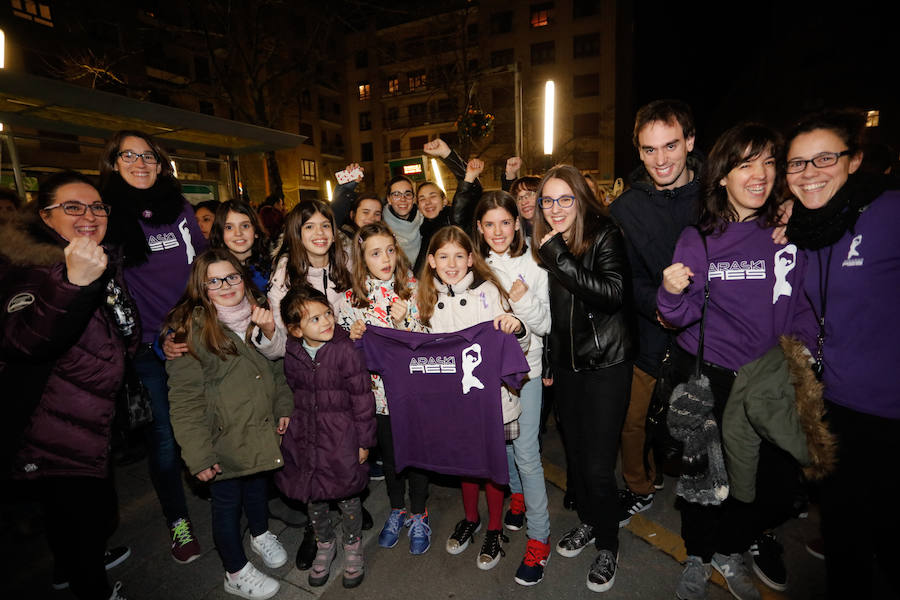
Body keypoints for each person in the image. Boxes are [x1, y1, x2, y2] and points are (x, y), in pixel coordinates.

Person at [658, 123, 816, 600]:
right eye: (745, 164)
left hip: (769, 380)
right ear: (722, 175)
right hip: (711, 379)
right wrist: (669, 292)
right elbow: (680, 315)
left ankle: (729, 550)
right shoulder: (698, 238)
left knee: (767, 486)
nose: (759, 174)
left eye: (769, 162)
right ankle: (698, 557)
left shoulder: (787, 232)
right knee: (703, 481)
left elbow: (805, 304)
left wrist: (806, 353)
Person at [1, 171, 135, 600]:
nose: (89, 215)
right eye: (73, 207)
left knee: (80, 514)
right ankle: (90, 584)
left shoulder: (94, 255)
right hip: (54, 420)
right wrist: (72, 283)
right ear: (44, 215)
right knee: (78, 516)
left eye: (97, 207)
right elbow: (26, 339)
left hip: (87, 409)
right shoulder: (30, 266)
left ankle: (73, 566)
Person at [783, 110, 900, 599]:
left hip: (890, 414)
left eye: (824, 158)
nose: (809, 173)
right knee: (845, 538)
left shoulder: (889, 212)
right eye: (797, 164)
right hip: (832, 408)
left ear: (852, 161)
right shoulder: (807, 229)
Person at [100, 130, 207, 563]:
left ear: (161, 164)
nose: (140, 162)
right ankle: (177, 521)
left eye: (148, 156)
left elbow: (202, 263)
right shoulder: (106, 214)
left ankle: (232, 503)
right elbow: (110, 288)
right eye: (130, 155)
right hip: (148, 346)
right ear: (114, 162)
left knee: (211, 422)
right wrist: (154, 336)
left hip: (197, 332)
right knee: (164, 441)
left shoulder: (178, 208)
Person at [165, 249, 291, 600]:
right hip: (223, 440)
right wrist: (199, 455)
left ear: (243, 277)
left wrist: (283, 404)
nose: (226, 286)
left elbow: (277, 369)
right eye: (214, 280)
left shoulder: (258, 314)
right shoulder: (190, 331)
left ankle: (261, 533)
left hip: (260, 430)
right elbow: (185, 401)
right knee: (226, 505)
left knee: (256, 488)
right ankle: (234, 570)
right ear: (201, 288)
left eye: (232, 277)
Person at [533, 164, 635, 593]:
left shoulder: (604, 234)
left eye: (565, 199)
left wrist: (558, 256)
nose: (556, 209)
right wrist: (554, 361)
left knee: (597, 463)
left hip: (606, 363)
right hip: (569, 366)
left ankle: (609, 543)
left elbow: (613, 294)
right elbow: (555, 314)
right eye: (548, 200)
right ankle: (592, 523)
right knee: (576, 457)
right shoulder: (544, 243)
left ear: (580, 199)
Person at [608, 99, 702, 524]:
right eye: (649, 150)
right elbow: (624, 277)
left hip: (708, 336)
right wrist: (657, 307)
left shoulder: (718, 195)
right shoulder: (625, 208)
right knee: (634, 421)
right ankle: (638, 487)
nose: (660, 159)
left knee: (706, 426)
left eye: (670, 146)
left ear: (690, 142)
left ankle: (719, 508)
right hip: (648, 332)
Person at [416, 226, 529, 571]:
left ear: (470, 259)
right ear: (432, 261)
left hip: (490, 398)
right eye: (444, 257)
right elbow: (419, 354)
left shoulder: (490, 292)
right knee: (465, 461)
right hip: (451, 401)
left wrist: (517, 329)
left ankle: (494, 528)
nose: (452, 264)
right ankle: (470, 518)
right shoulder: (423, 298)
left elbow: (516, 351)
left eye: (460, 256)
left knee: (491, 464)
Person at [337, 222, 431, 555]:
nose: (386, 258)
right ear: (363, 258)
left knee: (418, 455)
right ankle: (397, 508)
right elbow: (347, 352)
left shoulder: (414, 287)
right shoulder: (351, 299)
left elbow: (427, 341)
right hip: (377, 396)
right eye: (376, 253)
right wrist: (354, 335)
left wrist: (405, 322)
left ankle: (419, 511)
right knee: (391, 457)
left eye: (390, 250)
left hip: (414, 392)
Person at [473, 191, 552, 585]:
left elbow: (546, 326)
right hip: (487, 374)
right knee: (502, 447)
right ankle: (516, 497)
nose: (498, 231)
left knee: (526, 452)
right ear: (479, 229)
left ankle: (540, 540)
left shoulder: (534, 265)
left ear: (517, 224)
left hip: (526, 373)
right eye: (489, 224)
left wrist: (522, 302)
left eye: (505, 222)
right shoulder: (475, 268)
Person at [276, 288, 376, 589]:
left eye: (327, 314)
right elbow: (291, 390)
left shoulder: (346, 351)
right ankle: (324, 543)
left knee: (347, 496)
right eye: (315, 319)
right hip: (306, 436)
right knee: (313, 496)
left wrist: (363, 442)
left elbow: (362, 398)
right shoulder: (293, 352)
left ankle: (352, 544)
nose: (326, 322)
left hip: (341, 437)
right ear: (295, 329)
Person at [209, 200, 271, 292]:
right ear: (220, 233)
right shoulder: (211, 270)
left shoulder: (273, 268)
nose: (238, 233)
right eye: (229, 227)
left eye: (245, 226)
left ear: (256, 231)